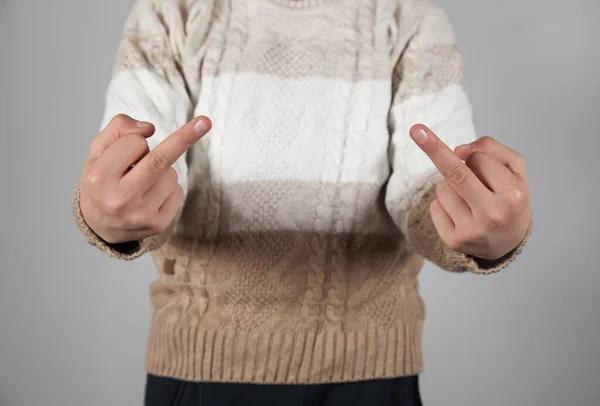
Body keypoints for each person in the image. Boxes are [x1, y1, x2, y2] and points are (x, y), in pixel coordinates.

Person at [72, 0, 533, 404]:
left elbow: (428, 193)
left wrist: (477, 230)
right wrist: (108, 210)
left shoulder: (410, 20)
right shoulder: (168, 15)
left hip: (370, 374)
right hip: (199, 370)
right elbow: (142, 183)